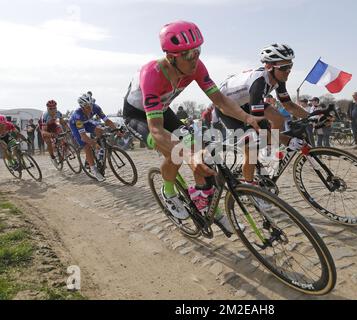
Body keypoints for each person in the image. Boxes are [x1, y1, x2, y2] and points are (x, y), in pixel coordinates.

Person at [122, 21, 262, 233]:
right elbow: (157, 130)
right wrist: (187, 155)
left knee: (198, 149)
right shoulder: (151, 74)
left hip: (163, 108)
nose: (195, 58)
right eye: (188, 55)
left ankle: (209, 207)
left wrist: (247, 117)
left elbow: (220, 100)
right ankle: (168, 192)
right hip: (139, 116)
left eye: (197, 51)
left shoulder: (196, 67)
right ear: (171, 57)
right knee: (177, 152)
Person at [215, 43, 311, 187]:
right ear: (269, 67)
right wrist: (286, 140)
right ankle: (250, 187)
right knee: (251, 148)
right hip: (227, 108)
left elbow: (289, 105)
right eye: (284, 68)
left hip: (245, 102)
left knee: (278, 118)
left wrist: (311, 117)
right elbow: (258, 123)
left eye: (290, 66)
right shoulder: (258, 83)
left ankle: (269, 147)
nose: (288, 71)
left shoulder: (278, 79)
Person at [69, 93, 122, 181]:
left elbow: (107, 121)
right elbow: (83, 137)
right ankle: (94, 170)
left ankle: (99, 150)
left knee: (99, 129)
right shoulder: (78, 116)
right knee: (87, 146)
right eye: (87, 107)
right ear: (82, 107)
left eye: (90, 105)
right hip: (76, 125)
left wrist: (116, 130)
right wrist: (92, 143)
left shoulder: (95, 107)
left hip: (87, 122)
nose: (90, 109)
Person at [40, 100, 70, 167]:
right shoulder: (45, 116)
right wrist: (50, 134)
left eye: (54, 108)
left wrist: (68, 129)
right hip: (45, 128)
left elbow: (62, 122)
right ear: (48, 109)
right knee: (48, 142)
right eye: (51, 109)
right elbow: (44, 131)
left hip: (53, 125)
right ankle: (53, 157)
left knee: (60, 132)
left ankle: (64, 148)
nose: (53, 110)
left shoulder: (58, 113)